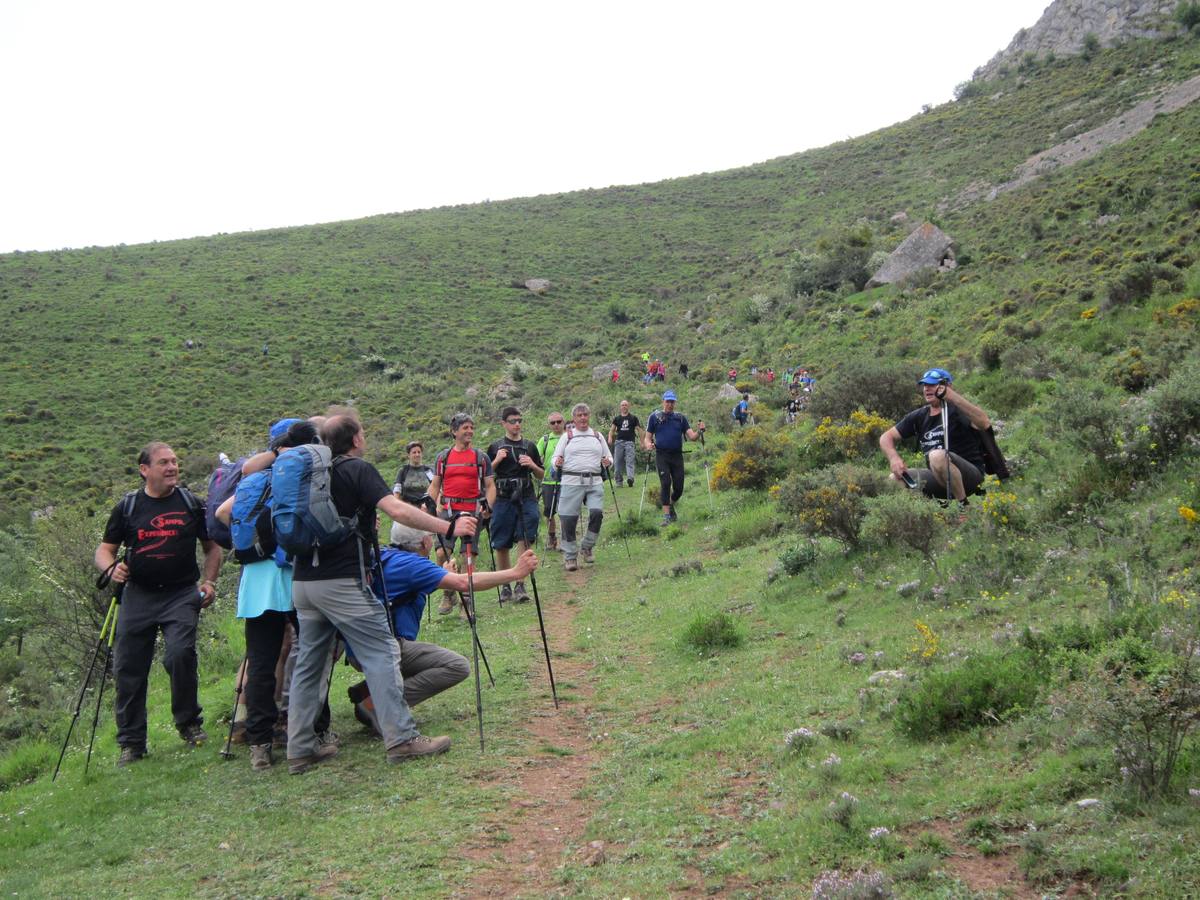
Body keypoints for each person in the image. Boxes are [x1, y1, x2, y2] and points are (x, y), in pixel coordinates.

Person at [287, 413, 479, 773]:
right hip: (342, 580)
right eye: (363, 433)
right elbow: (396, 510)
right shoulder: (356, 470)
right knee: (383, 652)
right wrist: (448, 525)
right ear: (355, 440)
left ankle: (299, 749)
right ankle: (402, 738)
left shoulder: (308, 474)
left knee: (309, 666)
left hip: (303, 582)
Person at [215, 418, 333, 771]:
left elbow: (223, 513)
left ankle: (260, 744)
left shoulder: (255, 479)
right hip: (292, 573)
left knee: (262, 662)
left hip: (255, 581)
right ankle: (315, 731)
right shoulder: (297, 476)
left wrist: (255, 543)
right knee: (312, 653)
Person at [94, 442, 223, 767]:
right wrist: (110, 569)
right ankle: (132, 743)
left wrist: (209, 583)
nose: (172, 468)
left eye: (174, 462)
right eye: (164, 462)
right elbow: (104, 550)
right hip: (138, 595)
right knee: (128, 668)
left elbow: (213, 548)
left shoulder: (191, 504)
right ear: (144, 470)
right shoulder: (128, 507)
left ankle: (189, 724)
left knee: (180, 654)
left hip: (181, 593)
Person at [347, 525, 539, 734]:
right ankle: (375, 705)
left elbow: (403, 590)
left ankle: (368, 689)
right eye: (429, 535)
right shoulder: (412, 566)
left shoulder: (385, 554)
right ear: (424, 542)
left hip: (360, 647)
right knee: (456, 666)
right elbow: (464, 583)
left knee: (424, 656)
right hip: (385, 649)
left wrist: (441, 574)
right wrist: (515, 572)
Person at [878, 368, 990, 509]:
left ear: (947, 386)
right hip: (939, 478)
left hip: (970, 478)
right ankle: (928, 513)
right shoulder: (919, 416)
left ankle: (964, 507)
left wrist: (953, 397)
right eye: (925, 385)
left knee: (936, 455)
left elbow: (984, 422)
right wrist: (894, 458)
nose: (926, 389)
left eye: (932, 385)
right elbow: (885, 437)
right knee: (894, 479)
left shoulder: (958, 410)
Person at [427, 413, 497, 615]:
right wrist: (429, 505)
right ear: (454, 431)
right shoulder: (443, 457)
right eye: (465, 428)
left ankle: (466, 599)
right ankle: (448, 592)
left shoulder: (480, 457)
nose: (470, 431)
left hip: (471, 510)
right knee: (441, 552)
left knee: (468, 555)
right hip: (448, 510)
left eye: (471, 427)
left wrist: (488, 506)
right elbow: (435, 484)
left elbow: (490, 486)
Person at [486, 407, 543, 603]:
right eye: (512, 421)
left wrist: (532, 465)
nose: (517, 424)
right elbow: (485, 476)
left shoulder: (530, 446)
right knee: (501, 542)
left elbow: (541, 474)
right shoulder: (495, 447)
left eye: (519, 420)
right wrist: (496, 460)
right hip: (502, 497)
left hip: (526, 495)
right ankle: (505, 585)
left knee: (525, 537)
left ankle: (520, 584)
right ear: (503, 423)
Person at [552, 403, 613, 571]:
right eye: (579, 415)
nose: (583, 418)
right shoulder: (567, 437)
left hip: (594, 481)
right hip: (571, 481)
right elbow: (556, 457)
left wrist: (609, 462)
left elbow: (608, 456)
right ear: (574, 418)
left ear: (589, 416)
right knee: (567, 519)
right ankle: (570, 557)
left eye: (585, 414)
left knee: (596, 513)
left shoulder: (597, 436)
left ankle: (587, 546)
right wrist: (556, 462)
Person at [643, 391, 706, 527]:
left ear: (675, 403)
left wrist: (700, 431)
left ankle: (670, 504)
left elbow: (692, 437)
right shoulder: (654, 417)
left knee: (679, 488)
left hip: (677, 456)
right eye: (668, 401)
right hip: (662, 455)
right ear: (663, 402)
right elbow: (647, 438)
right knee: (665, 483)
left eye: (672, 402)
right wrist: (649, 445)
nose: (670, 404)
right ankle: (666, 516)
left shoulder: (680, 418)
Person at [536, 412, 566, 551]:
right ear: (549, 424)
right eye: (553, 422)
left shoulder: (570, 438)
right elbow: (536, 456)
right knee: (549, 512)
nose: (556, 425)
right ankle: (552, 538)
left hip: (567, 481)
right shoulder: (545, 439)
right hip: (548, 481)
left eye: (559, 421)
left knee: (565, 511)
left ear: (563, 422)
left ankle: (566, 539)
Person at [607, 399, 642, 488]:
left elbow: (639, 430)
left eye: (626, 405)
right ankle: (619, 481)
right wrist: (610, 437)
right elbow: (612, 430)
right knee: (617, 462)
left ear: (628, 406)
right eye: (622, 405)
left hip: (630, 442)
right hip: (619, 442)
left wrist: (642, 442)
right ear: (620, 407)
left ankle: (630, 479)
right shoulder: (617, 418)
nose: (624, 406)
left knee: (630, 461)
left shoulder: (633, 418)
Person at [393, 441, 435, 508]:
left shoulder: (428, 471)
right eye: (414, 452)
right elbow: (397, 491)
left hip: (426, 508)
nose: (417, 454)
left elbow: (435, 487)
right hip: (408, 509)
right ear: (408, 455)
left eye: (419, 452)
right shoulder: (403, 471)